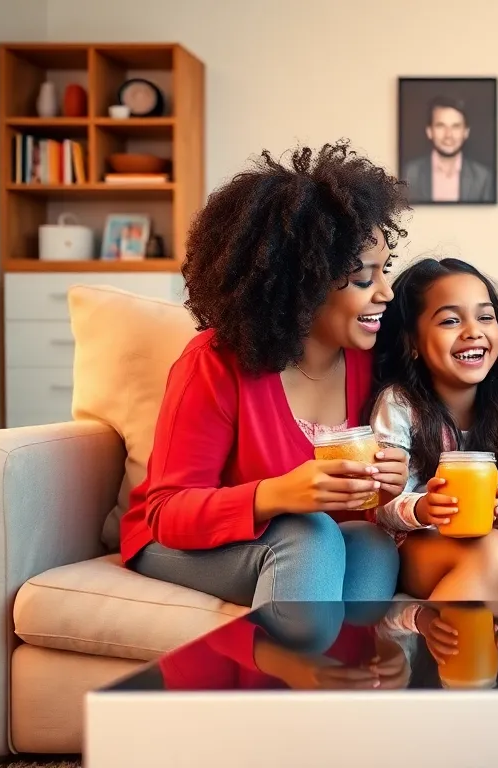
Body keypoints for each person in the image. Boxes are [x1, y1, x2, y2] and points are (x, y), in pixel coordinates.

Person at [121, 142, 405, 634]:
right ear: (303, 284)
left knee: (372, 545)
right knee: (308, 535)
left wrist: (389, 485)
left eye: (385, 269)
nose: (386, 292)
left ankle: (346, 683)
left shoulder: (370, 359)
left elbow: (353, 506)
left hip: (305, 540)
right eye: (362, 278)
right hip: (173, 541)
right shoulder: (213, 363)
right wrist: (274, 495)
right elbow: (168, 512)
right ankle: (282, 697)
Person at [367, 257, 498, 601]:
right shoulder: (400, 404)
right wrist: (423, 508)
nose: (473, 332)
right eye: (451, 320)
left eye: (485, 316)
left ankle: (452, 642)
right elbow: (381, 501)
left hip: (484, 541)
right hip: (416, 546)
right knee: (495, 551)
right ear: (413, 344)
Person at [402, 95, 494, 203]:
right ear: (429, 131)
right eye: (441, 126)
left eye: (455, 126)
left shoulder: (483, 177)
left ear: (466, 132)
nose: (448, 135)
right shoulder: (410, 174)